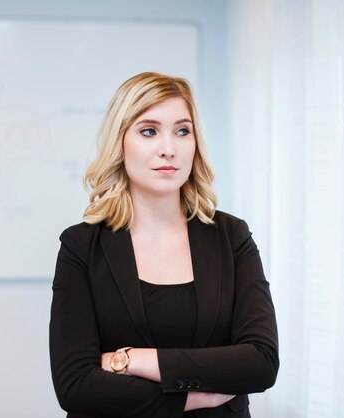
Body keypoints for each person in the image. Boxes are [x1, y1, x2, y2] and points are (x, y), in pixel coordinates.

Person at [49, 72, 278, 418]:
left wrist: (128, 359)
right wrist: (192, 397)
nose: (169, 148)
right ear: (119, 141)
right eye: (149, 131)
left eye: (183, 131)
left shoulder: (232, 237)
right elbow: (76, 385)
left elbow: (261, 363)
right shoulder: (82, 246)